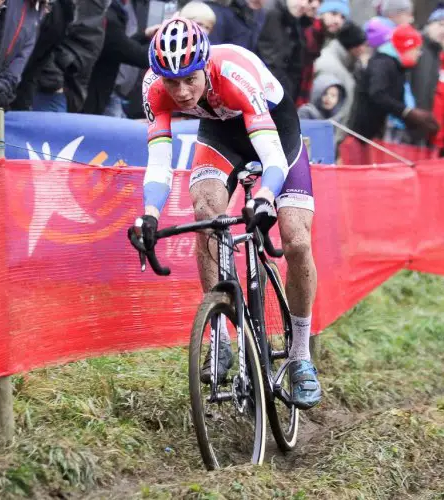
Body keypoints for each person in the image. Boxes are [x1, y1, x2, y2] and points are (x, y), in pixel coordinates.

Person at [130, 17, 321, 410]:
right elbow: (159, 162)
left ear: (204, 66)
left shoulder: (234, 71)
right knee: (206, 211)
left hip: (275, 136)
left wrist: (265, 197)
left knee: (297, 241)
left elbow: (270, 158)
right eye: (172, 82)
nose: (182, 92)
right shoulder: (153, 88)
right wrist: (148, 215)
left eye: (190, 80)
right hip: (220, 137)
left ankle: (301, 356)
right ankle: (221, 334)